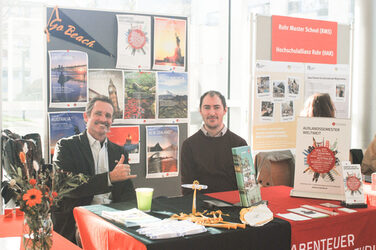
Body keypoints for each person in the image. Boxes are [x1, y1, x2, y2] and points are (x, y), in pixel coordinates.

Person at [52, 95, 137, 243]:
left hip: (114, 219)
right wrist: (109, 178)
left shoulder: (120, 152)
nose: (104, 119)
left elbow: (127, 193)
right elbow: (66, 186)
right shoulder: (66, 146)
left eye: (108, 116)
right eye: (98, 113)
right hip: (79, 220)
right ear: (86, 116)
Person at [181, 90, 247, 195]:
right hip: (200, 206)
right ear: (200, 110)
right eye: (207, 107)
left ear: (225, 110)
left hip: (232, 205)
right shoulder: (189, 145)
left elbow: (246, 186)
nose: (212, 113)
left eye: (216, 107)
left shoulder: (239, 144)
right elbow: (187, 188)